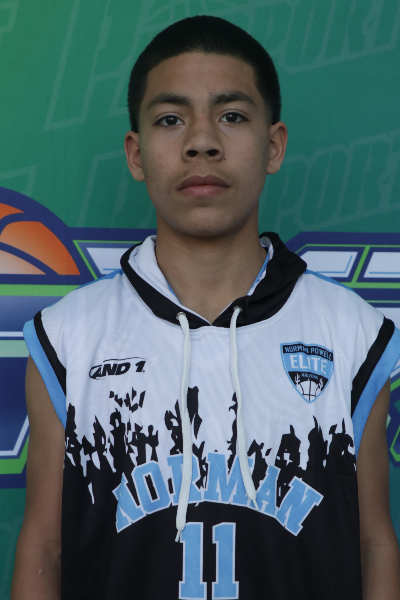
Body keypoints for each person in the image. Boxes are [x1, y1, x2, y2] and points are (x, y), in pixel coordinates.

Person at [11, 15, 400, 600]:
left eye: (232, 116)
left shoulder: (352, 334)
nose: (201, 141)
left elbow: (373, 544)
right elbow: (46, 547)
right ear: (136, 154)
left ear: (274, 145)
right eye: (171, 119)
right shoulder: (68, 337)